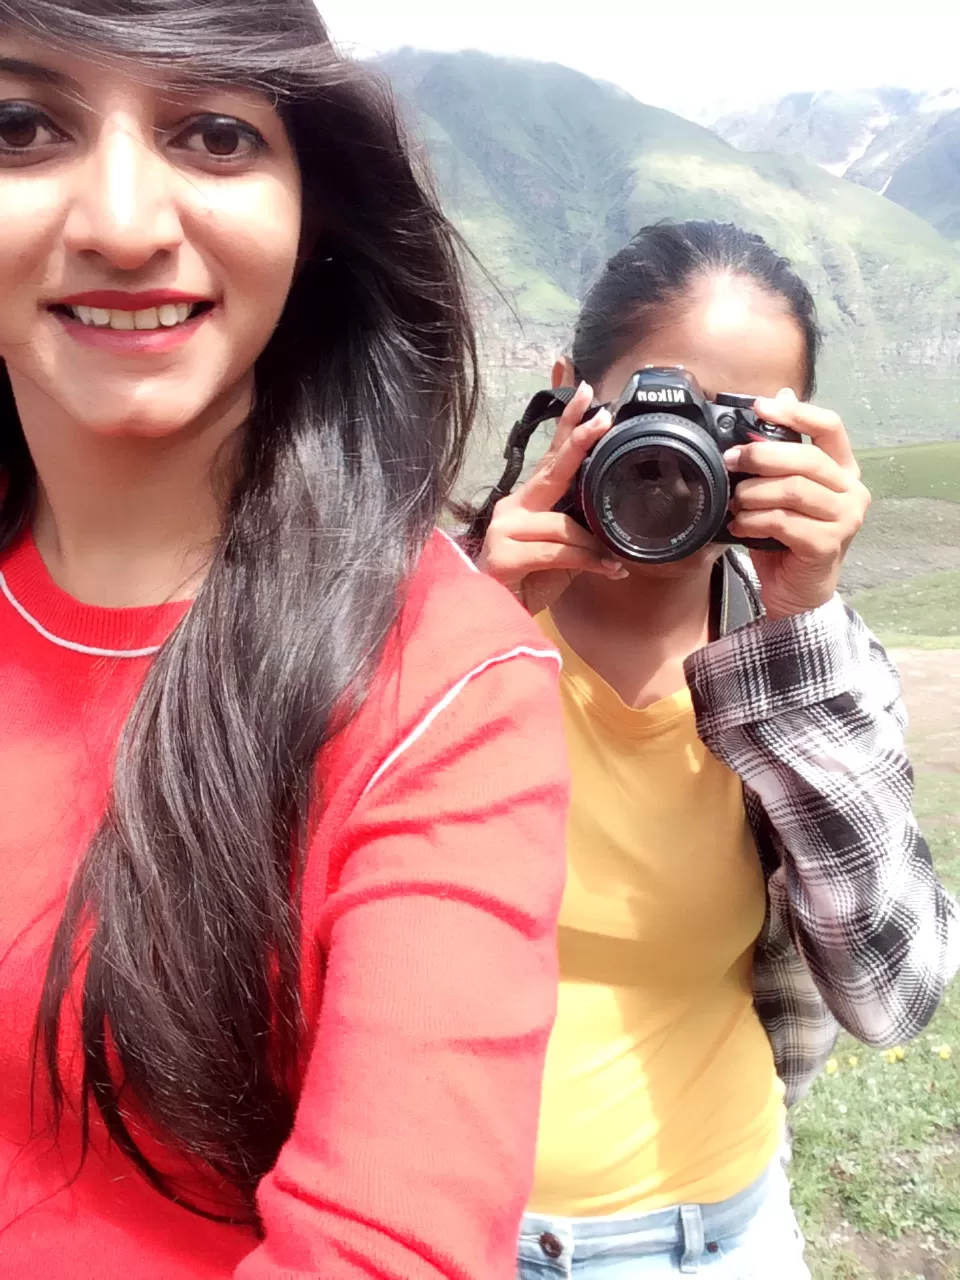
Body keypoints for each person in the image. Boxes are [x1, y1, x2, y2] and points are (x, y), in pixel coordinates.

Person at [0, 3, 571, 1277]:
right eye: (20, 125)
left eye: (213, 133)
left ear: (315, 207)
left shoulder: (442, 684)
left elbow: (387, 1248)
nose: (125, 224)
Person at [471, 220, 960, 1277]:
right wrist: (462, 638)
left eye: (731, 427)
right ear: (566, 391)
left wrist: (798, 634)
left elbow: (895, 994)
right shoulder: (428, 609)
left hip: (713, 1238)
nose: (677, 452)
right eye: (655, 401)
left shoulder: (812, 662)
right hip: (442, 1223)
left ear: (805, 446)